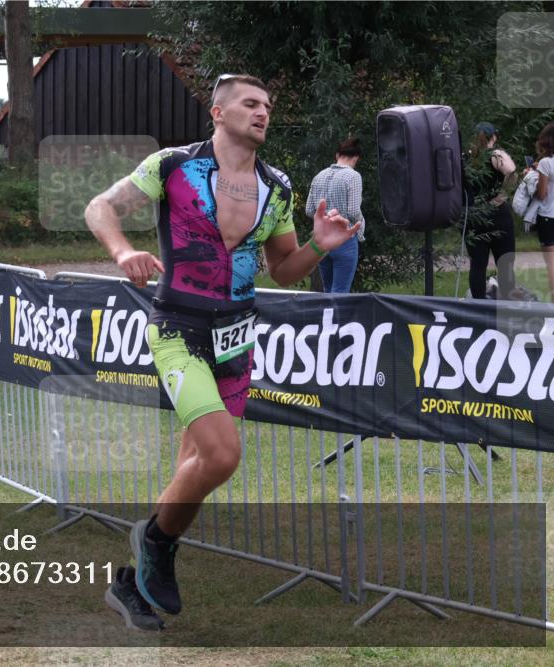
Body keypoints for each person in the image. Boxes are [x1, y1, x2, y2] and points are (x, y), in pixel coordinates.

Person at [85, 74, 357, 629]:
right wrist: (122, 251)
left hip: (236, 335)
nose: (262, 112)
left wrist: (317, 248)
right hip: (179, 326)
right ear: (218, 111)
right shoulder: (174, 165)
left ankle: (129, 584)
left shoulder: (277, 187)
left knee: (198, 464)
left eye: (268, 105)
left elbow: (282, 269)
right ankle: (155, 542)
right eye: (250, 103)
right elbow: (99, 207)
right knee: (223, 454)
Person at [464, 122, 517, 300]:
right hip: (497, 215)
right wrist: (502, 196)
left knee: (477, 265)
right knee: (505, 265)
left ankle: (478, 308)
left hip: (474, 216)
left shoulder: (468, 158)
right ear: (493, 137)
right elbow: (511, 171)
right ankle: (508, 307)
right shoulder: (495, 154)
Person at [305, 137, 365, 293]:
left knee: (328, 291)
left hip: (322, 240)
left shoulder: (319, 176)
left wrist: (325, 219)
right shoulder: (353, 176)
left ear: (337, 155)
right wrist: (360, 225)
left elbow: (309, 210)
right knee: (340, 292)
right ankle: (339, 319)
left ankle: (327, 318)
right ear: (357, 157)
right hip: (344, 240)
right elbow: (353, 211)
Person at [533, 121, 554, 303]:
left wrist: (532, 178)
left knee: (552, 266)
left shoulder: (545, 163)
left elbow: (542, 194)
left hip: (549, 219)